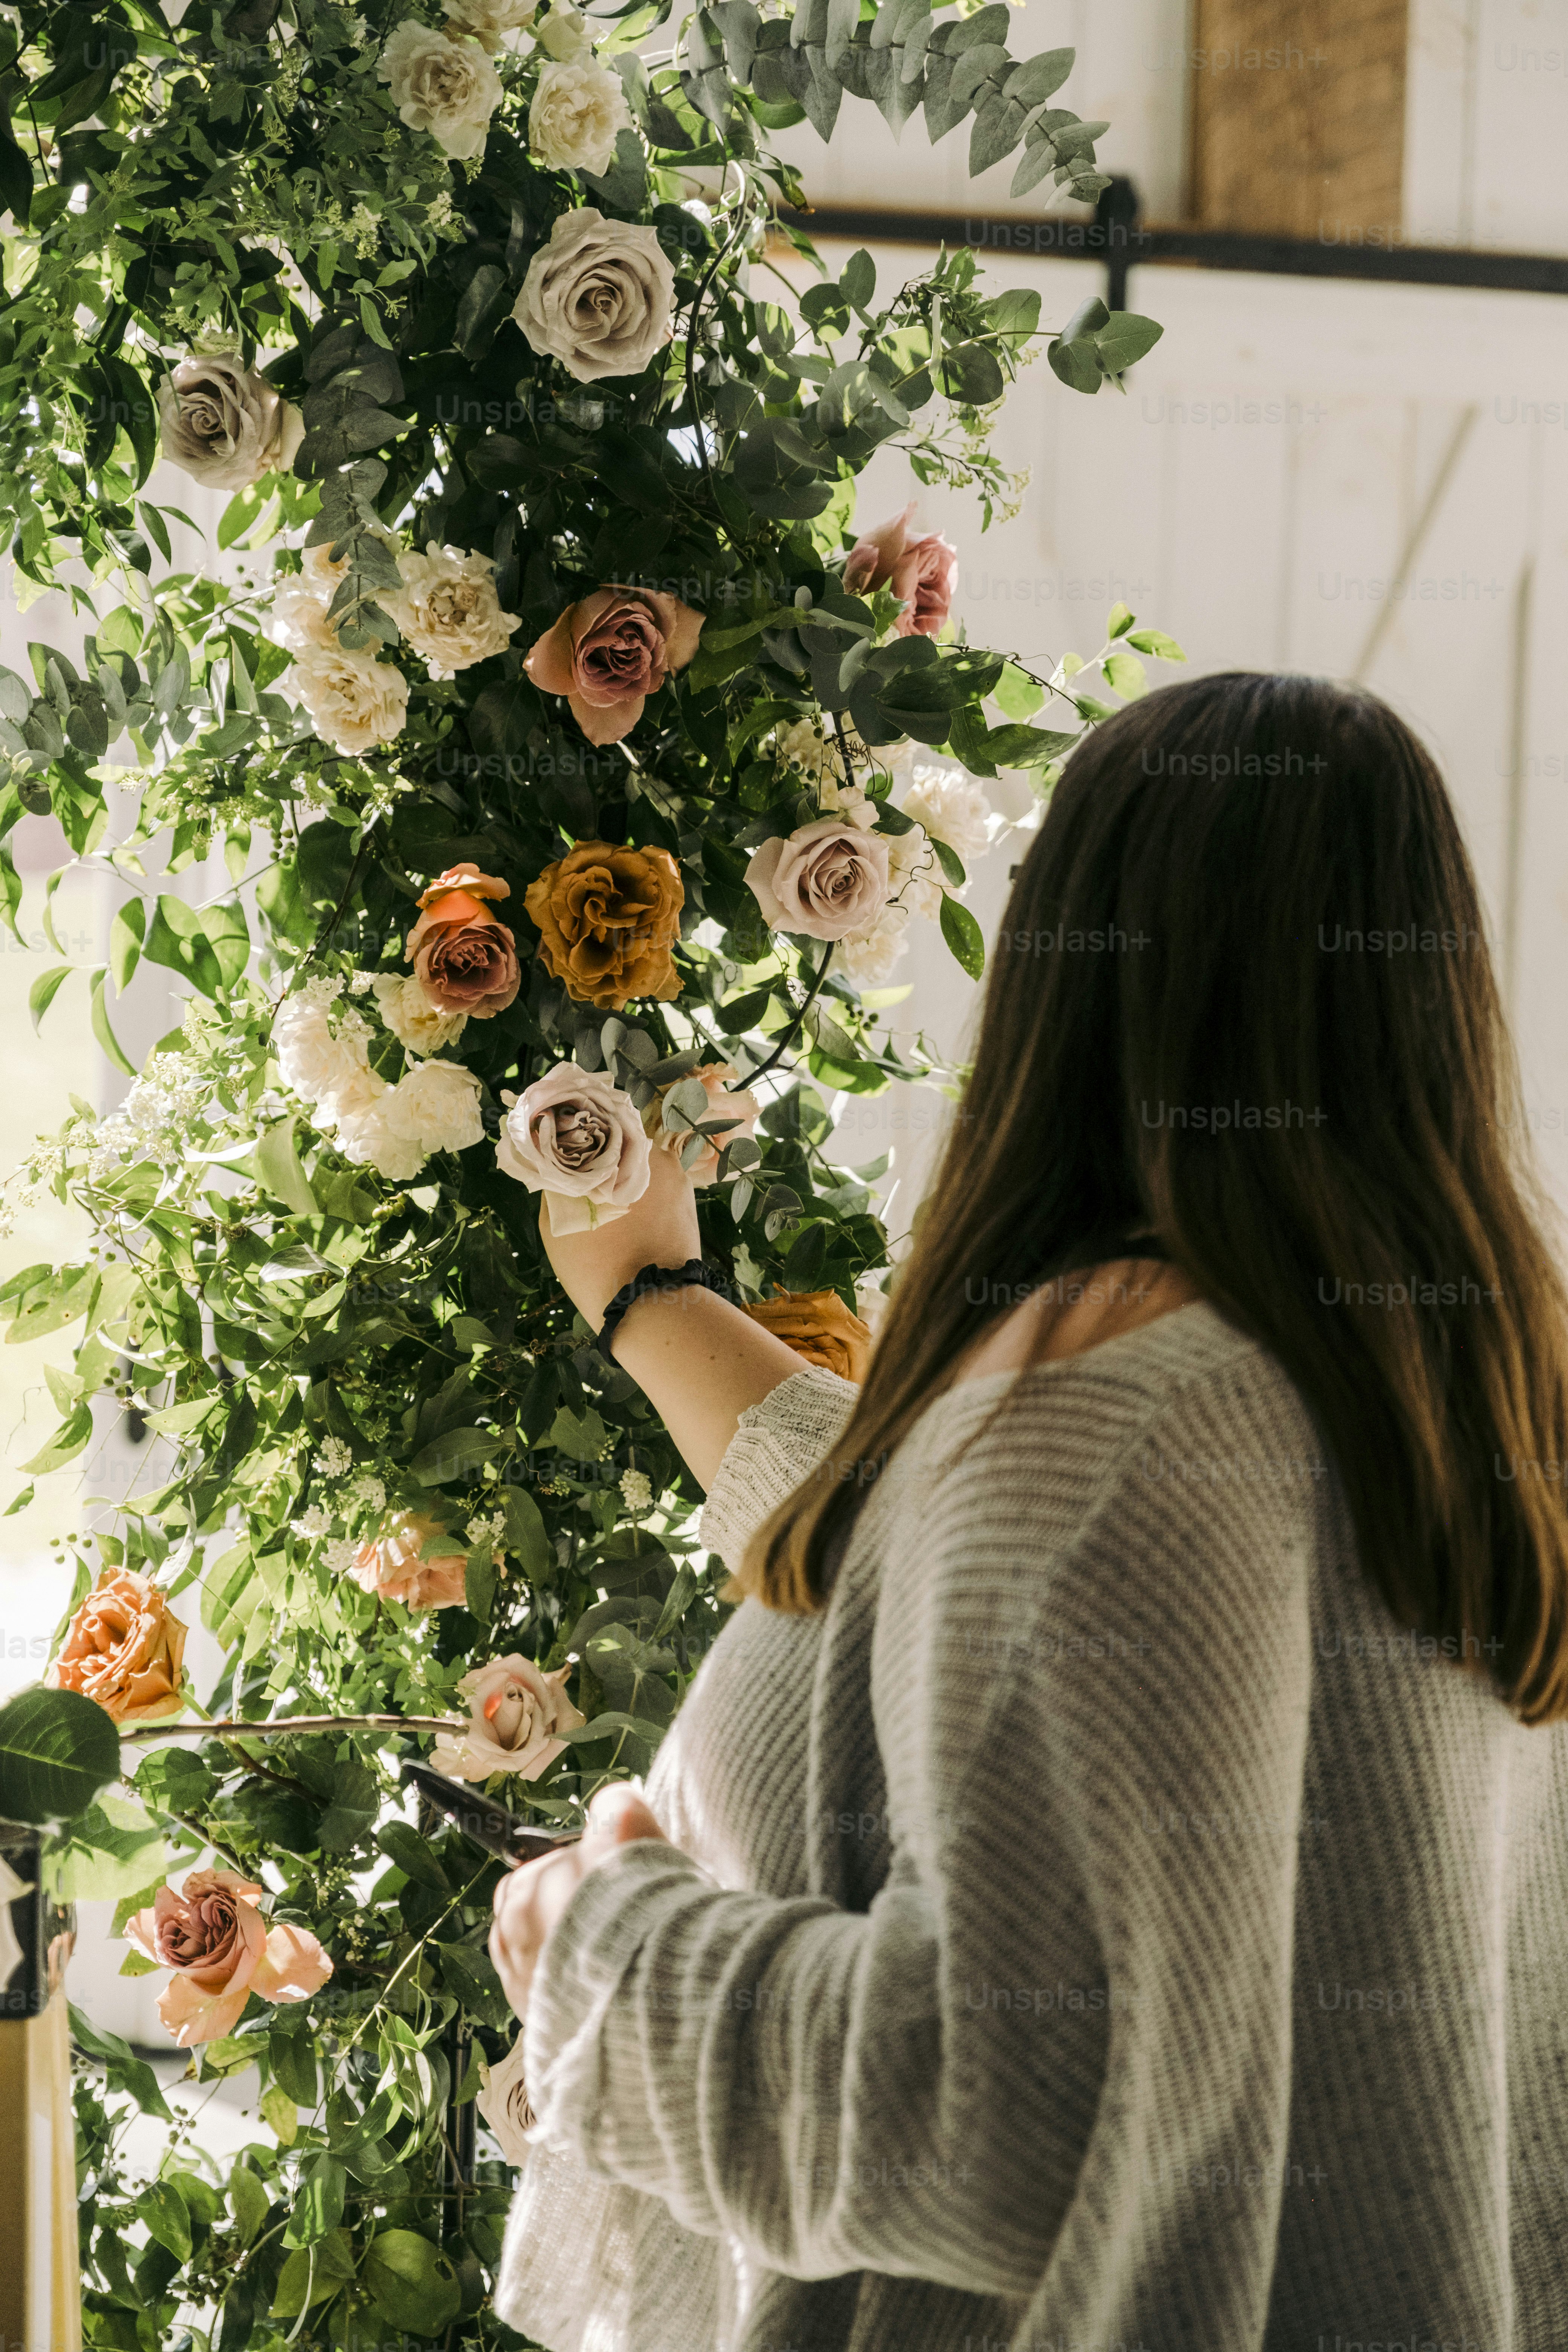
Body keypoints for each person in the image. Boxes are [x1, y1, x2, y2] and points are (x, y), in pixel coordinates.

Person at [488, 671, 1568, 2352]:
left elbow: (1000, 2101)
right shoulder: (1457, 1416)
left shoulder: (1118, 1417)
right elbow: (937, 1577)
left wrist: (598, 1953)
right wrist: (650, 1307)